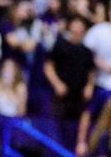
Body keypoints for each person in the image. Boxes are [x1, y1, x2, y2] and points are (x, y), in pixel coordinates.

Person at [45, 16, 96, 149]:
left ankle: (78, 147)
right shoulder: (60, 45)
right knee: (57, 125)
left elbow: (91, 72)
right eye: (76, 24)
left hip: (79, 95)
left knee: (82, 121)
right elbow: (48, 66)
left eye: (81, 25)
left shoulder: (87, 51)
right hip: (61, 94)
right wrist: (57, 83)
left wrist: (89, 87)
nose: (78, 28)